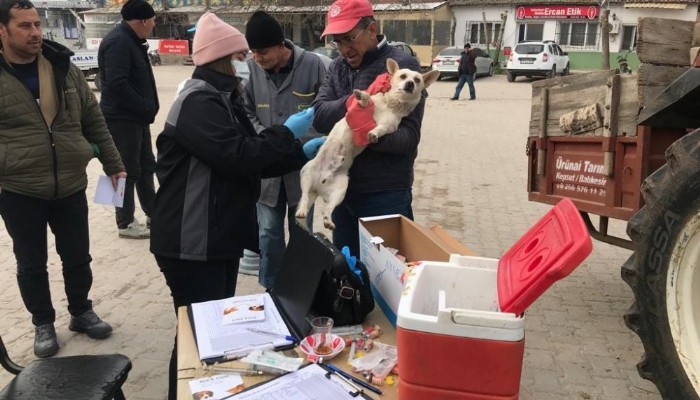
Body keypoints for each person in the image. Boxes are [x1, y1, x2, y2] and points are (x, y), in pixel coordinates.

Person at [148, 12, 324, 399]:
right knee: (197, 333)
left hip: (216, 237)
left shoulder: (225, 99)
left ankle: (205, 389)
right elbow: (238, 156)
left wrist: (299, 153)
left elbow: (256, 158)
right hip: (190, 240)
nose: (248, 63)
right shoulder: (197, 102)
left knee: (211, 329)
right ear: (222, 60)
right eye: (241, 56)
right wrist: (287, 131)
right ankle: (184, 392)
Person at [0, 0, 126, 358]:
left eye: (37, 24)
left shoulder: (62, 67)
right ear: (2, 30)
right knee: (31, 261)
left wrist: (114, 165)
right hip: (20, 189)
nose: (36, 32)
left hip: (70, 183)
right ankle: (43, 322)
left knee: (77, 256)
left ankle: (81, 311)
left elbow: (93, 119)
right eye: (24, 26)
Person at [311, 0, 427, 257]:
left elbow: (408, 139)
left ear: (372, 30)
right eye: (338, 41)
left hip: (384, 194)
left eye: (350, 38)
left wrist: (367, 132)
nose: (344, 49)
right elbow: (319, 116)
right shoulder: (338, 67)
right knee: (348, 275)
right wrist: (353, 105)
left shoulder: (404, 67)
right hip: (342, 192)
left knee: (387, 279)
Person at [243, 10, 328, 288]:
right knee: (268, 232)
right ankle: (271, 286)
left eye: (263, 51)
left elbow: (326, 111)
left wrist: (301, 144)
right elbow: (245, 112)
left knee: (301, 230)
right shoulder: (252, 69)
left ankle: (300, 288)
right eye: (253, 52)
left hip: (303, 167)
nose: (258, 58)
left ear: (282, 46)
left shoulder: (315, 66)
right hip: (267, 169)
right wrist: (267, 139)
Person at [98, 0, 159, 239]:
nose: (153, 26)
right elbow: (116, 84)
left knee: (146, 167)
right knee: (122, 169)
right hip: (121, 119)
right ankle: (124, 222)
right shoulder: (118, 42)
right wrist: (144, 106)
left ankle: (154, 214)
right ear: (143, 21)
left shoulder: (132, 40)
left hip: (137, 118)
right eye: (153, 21)